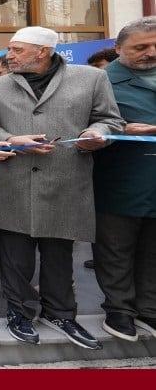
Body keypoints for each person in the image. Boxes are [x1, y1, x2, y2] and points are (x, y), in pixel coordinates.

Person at [0, 26, 124, 350]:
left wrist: (95, 136)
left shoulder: (91, 79)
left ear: (42, 52)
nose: (8, 56)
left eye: (16, 50)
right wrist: (11, 139)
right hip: (12, 182)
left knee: (59, 254)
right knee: (15, 257)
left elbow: (110, 120)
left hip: (66, 179)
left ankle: (60, 313)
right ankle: (20, 313)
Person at [91, 17, 156, 341]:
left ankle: (149, 309)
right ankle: (119, 310)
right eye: (140, 47)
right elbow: (88, 125)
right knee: (116, 249)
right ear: (118, 49)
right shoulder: (101, 82)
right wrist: (114, 130)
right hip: (119, 181)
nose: (150, 53)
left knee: (152, 250)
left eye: (155, 46)